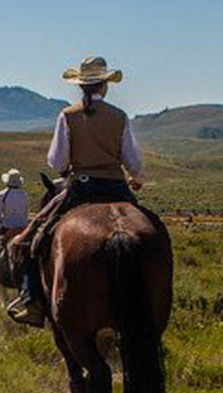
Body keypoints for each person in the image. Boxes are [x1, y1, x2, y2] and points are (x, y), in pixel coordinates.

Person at [8, 56, 144, 327]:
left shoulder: (67, 116)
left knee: (33, 241)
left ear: (80, 87)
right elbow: (134, 162)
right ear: (105, 86)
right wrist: (134, 177)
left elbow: (57, 161)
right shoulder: (119, 117)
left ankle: (33, 302)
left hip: (81, 187)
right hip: (117, 187)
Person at [0, 168, 30, 286]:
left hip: (7, 228)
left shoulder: (2, 195)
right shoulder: (24, 195)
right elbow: (26, 213)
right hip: (23, 228)